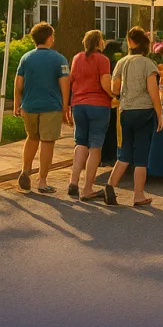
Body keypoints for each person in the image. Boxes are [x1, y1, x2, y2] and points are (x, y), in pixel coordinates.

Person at [104, 27, 163, 208]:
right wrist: (160, 113)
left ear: (130, 42)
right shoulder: (148, 64)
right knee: (141, 156)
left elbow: (114, 88)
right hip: (144, 112)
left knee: (125, 153)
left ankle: (110, 186)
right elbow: (153, 92)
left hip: (126, 111)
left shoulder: (121, 63)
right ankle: (138, 195)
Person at [13, 22, 72, 194]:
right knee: (47, 141)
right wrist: (65, 106)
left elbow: (18, 83)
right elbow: (65, 84)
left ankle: (25, 171)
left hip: (29, 105)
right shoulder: (59, 59)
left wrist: (17, 104)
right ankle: (42, 181)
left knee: (32, 138)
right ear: (49, 38)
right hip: (51, 106)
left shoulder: (26, 58)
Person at [68, 29, 114, 200]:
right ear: (99, 42)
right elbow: (105, 83)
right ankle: (87, 189)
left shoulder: (77, 58)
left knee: (80, 143)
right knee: (95, 147)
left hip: (79, 104)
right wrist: (114, 95)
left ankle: (73, 182)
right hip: (98, 105)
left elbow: (72, 80)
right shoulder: (103, 59)